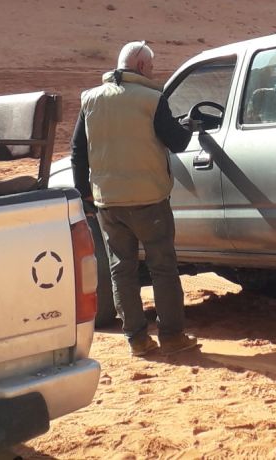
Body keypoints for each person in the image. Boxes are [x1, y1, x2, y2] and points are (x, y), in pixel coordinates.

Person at [68, 41, 198, 357]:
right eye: (151, 67)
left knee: (121, 270)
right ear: (141, 67)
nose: (153, 72)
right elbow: (177, 143)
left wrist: (86, 193)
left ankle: (137, 340)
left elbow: (77, 152)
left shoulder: (90, 100)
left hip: (108, 203)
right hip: (149, 199)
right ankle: (172, 336)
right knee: (162, 267)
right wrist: (189, 126)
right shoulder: (153, 100)